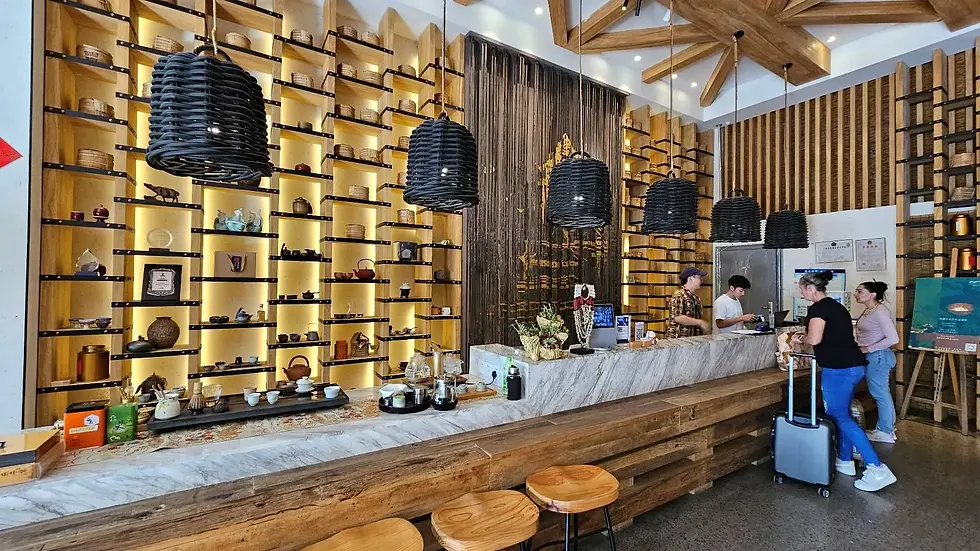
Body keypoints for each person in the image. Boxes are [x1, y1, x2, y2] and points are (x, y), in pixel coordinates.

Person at [793, 270, 897, 492]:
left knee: (839, 415)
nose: (801, 293)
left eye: (802, 289)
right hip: (855, 366)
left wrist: (800, 337)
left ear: (811, 289)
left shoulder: (818, 309)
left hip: (838, 369)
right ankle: (845, 459)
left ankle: (876, 467)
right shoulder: (837, 306)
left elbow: (814, 339)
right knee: (844, 413)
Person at [854, 281, 900, 444]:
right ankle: (887, 429)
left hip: (879, 357)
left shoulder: (880, 312)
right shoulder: (870, 311)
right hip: (874, 357)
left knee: (880, 393)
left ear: (872, 294)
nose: (856, 294)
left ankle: (885, 431)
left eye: (860, 291)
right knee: (880, 393)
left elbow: (893, 338)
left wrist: (869, 348)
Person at [666, 267, 711, 339]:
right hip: (679, 342)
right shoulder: (679, 295)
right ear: (690, 279)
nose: (701, 280)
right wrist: (700, 322)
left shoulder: (696, 298)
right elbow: (678, 318)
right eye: (699, 277)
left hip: (692, 341)